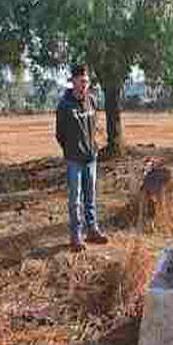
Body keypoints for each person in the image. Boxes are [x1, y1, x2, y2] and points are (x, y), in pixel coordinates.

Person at [56, 64, 108, 250]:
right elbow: (59, 134)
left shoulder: (92, 100)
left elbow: (93, 127)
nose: (84, 84)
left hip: (91, 157)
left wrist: (92, 147)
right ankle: (76, 237)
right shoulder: (64, 105)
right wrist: (71, 151)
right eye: (81, 81)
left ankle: (92, 231)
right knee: (74, 200)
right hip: (74, 160)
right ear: (73, 81)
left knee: (90, 197)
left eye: (86, 81)